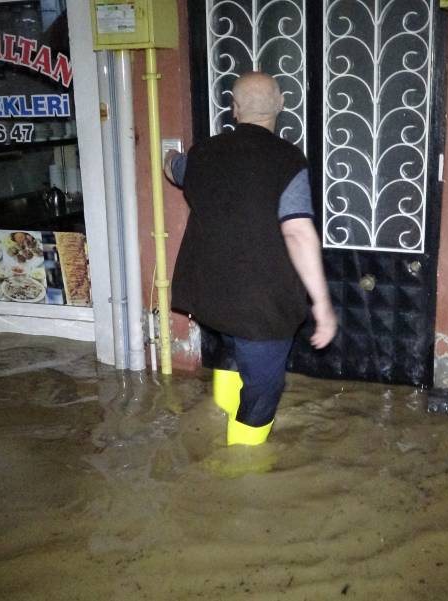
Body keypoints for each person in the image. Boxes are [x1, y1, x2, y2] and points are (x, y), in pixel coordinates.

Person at [163, 71, 337, 446]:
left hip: (209, 297)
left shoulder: (203, 153)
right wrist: (322, 305)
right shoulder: (288, 160)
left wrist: (169, 156)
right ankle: (240, 472)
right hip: (261, 305)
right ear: (281, 105)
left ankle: (221, 412)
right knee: (263, 391)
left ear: (234, 109)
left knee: (231, 343)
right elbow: (298, 232)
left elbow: (173, 168)